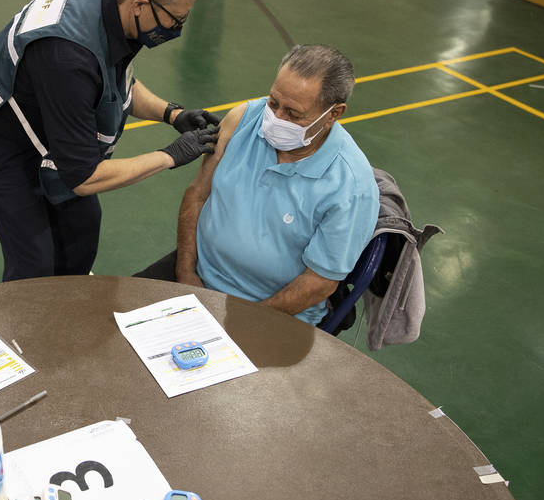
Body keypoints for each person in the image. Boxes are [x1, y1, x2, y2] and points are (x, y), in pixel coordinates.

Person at [0, 0, 219, 282]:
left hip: (49, 115)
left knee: (81, 229)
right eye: (176, 18)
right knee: (34, 259)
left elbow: (114, 83)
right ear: (141, 4)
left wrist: (172, 114)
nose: (178, 28)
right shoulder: (67, 57)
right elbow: (82, 177)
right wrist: (171, 155)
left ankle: (67, 315)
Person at [138, 44, 379, 325]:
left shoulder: (352, 187)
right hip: (199, 275)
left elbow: (320, 282)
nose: (276, 119)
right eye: (273, 103)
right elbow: (197, 194)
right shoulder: (242, 119)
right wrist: (186, 274)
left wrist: (242, 321)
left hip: (273, 312)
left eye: (293, 113)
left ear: (334, 114)